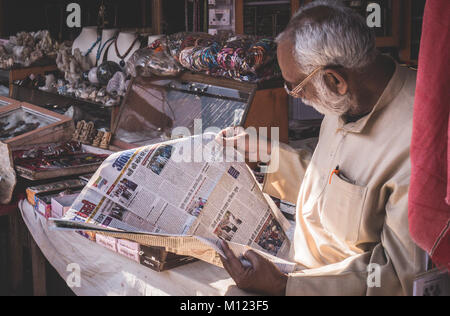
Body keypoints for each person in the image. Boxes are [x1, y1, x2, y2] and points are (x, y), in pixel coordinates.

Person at [217, 0, 427, 296]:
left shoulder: (420, 139)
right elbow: (332, 184)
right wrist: (266, 155)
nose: (295, 95)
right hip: (300, 268)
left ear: (335, 80)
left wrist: (284, 286)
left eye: (297, 87)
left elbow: (395, 277)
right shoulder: (349, 96)